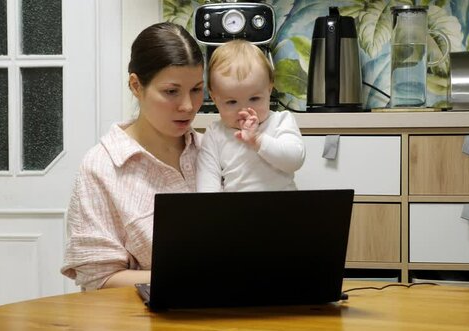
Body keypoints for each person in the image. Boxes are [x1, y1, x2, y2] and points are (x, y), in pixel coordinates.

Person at [61, 22, 204, 291]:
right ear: (136, 86)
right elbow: (98, 278)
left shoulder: (212, 152)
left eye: (197, 89)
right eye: (171, 91)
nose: (188, 106)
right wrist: (194, 276)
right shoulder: (101, 167)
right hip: (137, 326)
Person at [196, 40, 305, 192]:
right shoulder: (215, 134)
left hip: (283, 208)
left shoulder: (281, 121)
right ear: (214, 99)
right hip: (238, 213)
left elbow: (295, 160)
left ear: (269, 89)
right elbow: (207, 183)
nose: (244, 110)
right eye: (231, 102)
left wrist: (258, 140)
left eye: (254, 99)